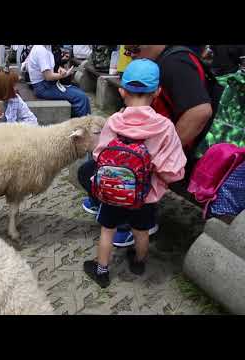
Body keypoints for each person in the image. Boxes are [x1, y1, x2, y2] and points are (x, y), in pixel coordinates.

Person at [80, 44, 220, 247]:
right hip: (149, 152)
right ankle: (123, 213)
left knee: (91, 173)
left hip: (176, 158)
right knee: (89, 170)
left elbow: (200, 112)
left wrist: (154, 159)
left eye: (133, 49)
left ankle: (134, 222)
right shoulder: (159, 62)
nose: (129, 53)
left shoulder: (175, 63)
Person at [82, 59, 186, 288]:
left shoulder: (115, 121)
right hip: (144, 196)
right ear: (157, 92)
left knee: (107, 231)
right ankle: (139, 262)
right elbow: (173, 172)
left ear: (121, 92)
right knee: (141, 231)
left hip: (112, 192)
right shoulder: (165, 127)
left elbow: (100, 155)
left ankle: (101, 271)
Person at [26, 45, 91, 117]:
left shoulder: (43, 48)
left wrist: (59, 69)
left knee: (78, 91)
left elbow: (48, 68)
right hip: (44, 87)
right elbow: (48, 76)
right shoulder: (41, 51)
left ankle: (82, 122)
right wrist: (65, 75)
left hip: (45, 85)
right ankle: (84, 124)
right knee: (81, 97)